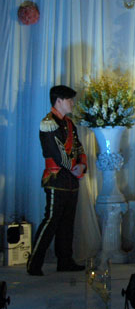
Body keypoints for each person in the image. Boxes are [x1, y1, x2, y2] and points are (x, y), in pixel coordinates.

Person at [27, 85, 87, 276]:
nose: (72, 103)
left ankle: (65, 261)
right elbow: (58, 154)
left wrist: (82, 166)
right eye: (69, 100)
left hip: (71, 180)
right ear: (59, 101)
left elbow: (78, 148)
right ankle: (34, 262)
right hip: (56, 179)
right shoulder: (48, 123)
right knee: (51, 221)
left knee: (67, 223)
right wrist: (74, 168)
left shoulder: (69, 123)